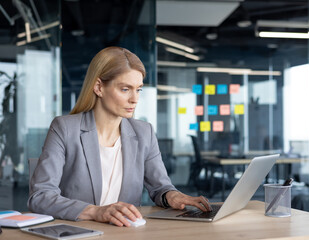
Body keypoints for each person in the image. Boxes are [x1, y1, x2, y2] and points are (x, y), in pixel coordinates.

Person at [28, 47, 211, 227]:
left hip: (125, 233)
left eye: (138, 89)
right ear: (99, 87)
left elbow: (160, 188)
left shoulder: (144, 132)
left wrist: (172, 195)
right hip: (77, 233)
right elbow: (40, 196)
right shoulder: (65, 128)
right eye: (125, 89)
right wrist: (96, 211)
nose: (135, 99)